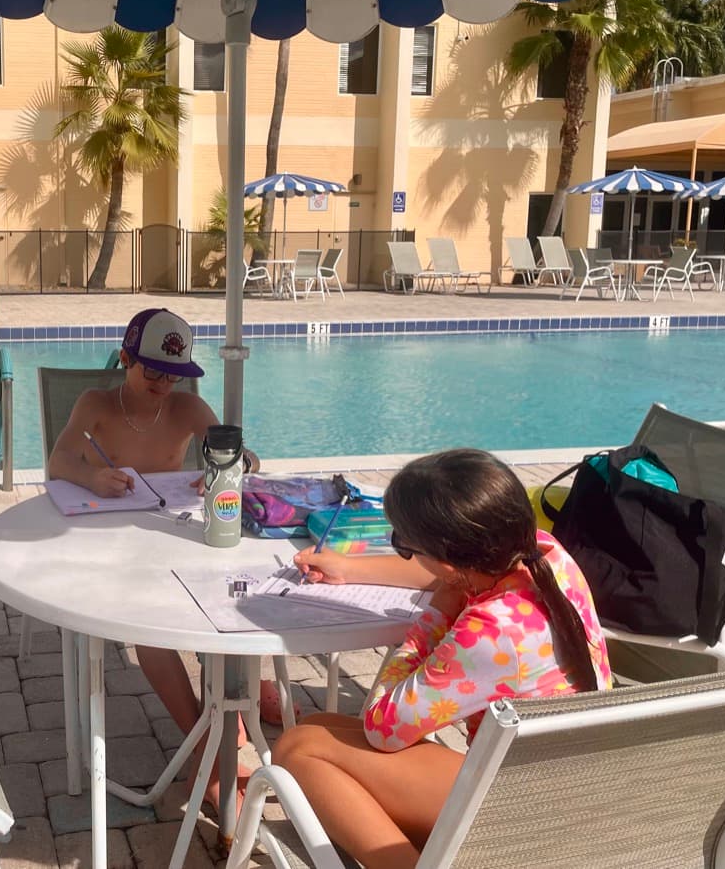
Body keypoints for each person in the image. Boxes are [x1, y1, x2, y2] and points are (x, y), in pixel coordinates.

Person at [273, 449, 611, 869]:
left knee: (299, 750)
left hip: (528, 814)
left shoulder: (491, 631)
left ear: (450, 560)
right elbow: (443, 573)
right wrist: (350, 567)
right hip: (570, 785)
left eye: (404, 545)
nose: (406, 554)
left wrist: (434, 618)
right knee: (315, 728)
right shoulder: (543, 552)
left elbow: (381, 726)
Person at [48, 307, 262, 810]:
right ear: (126, 358)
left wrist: (227, 465)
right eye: (154, 371)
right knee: (149, 634)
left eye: (175, 374)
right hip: (112, 543)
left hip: (172, 537)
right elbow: (59, 461)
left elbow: (241, 454)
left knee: (224, 606)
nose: (164, 384)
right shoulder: (96, 402)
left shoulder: (186, 409)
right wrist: (92, 477)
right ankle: (206, 744)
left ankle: (229, 715)